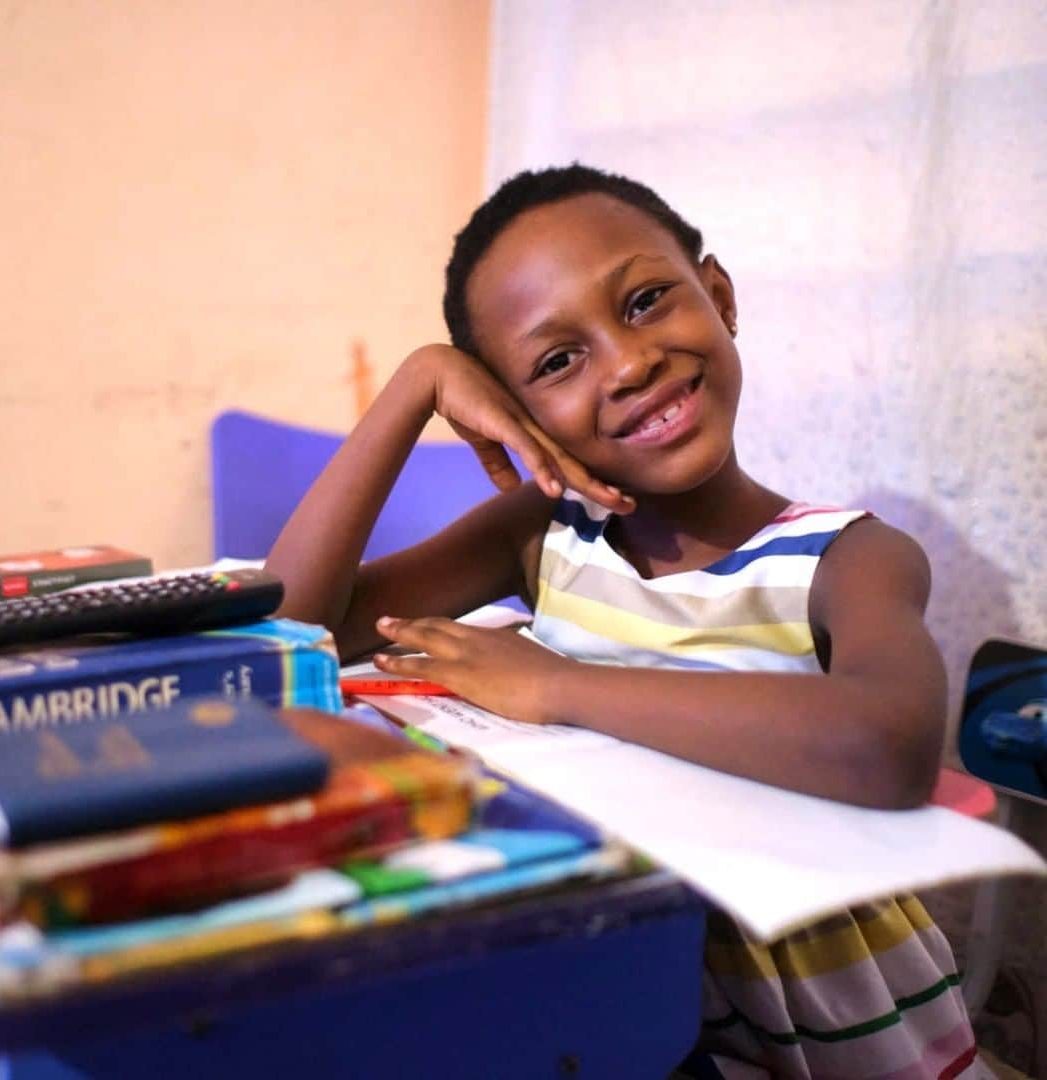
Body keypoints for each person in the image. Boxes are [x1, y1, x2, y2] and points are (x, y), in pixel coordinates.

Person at [267, 165, 990, 1078]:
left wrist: (555, 686)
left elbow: (888, 748)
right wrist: (415, 387)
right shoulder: (547, 539)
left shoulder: (844, 558)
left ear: (717, 296)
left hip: (814, 1027)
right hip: (608, 982)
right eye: (556, 362)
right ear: (513, 412)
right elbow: (288, 628)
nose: (630, 362)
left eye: (647, 301)